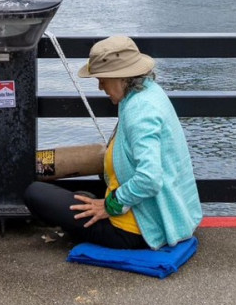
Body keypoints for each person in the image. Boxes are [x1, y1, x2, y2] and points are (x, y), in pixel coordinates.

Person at [23, 36, 202, 250]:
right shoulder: (149, 92)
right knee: (78, 197)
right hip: (165, 215)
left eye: (102, 79)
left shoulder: (139, 112)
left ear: (121, 77)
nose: (100, 87)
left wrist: (109, 206)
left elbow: (150, 178)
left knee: (35, 194)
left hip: (138, 230)